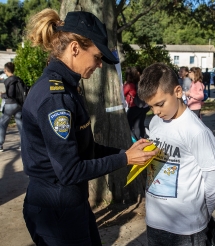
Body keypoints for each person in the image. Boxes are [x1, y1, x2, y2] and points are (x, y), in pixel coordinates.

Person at [21, 9, 158, 245]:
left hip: (71, 201)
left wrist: (128, 152)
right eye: (96, 56)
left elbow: (86, 149)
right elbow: (69, 171)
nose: (100, 65)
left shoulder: (68, 87)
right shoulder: (55, 97)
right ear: (75, 48)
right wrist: (124, 159)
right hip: (55, 209)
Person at [137, 63, 215, 246]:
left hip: (187, 228)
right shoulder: (154, 123)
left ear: (177, 92)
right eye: (151, 107)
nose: (156, 112)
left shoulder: (196, 131)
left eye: (160, 104)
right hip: (154, 222)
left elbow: (214, 184)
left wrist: (202, 214)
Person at [0, 62, 23, 151]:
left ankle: (0, 144)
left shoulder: (8, 80)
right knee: (20, 125)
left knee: (2, 124)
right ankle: (22, 145)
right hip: (19, 105)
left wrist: (2, 95)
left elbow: (10, 94)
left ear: (6, 70)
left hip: (10, 104)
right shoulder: (19, 79)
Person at [123, 66, 150, 139]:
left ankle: (133, 141)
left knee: (127, 125)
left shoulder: (129, 85)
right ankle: (140, 140)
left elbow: (122, 93)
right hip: (140, 106)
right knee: (137, 125)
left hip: (133, 107)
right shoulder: (138, 83)